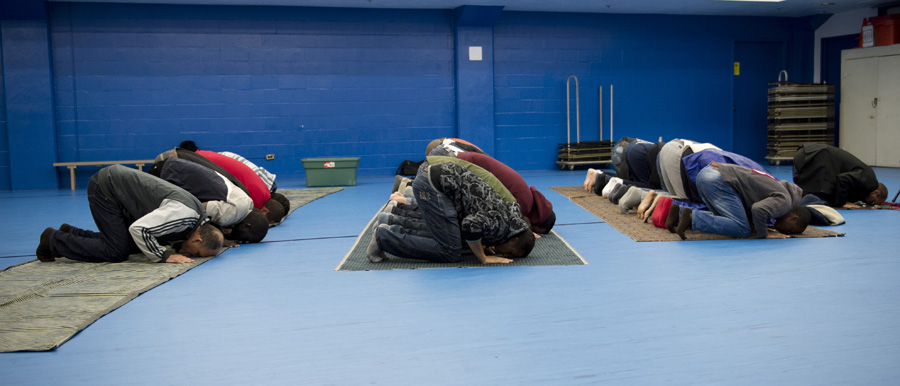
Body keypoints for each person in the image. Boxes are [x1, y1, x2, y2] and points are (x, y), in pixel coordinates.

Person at [36, 165, 224, 264]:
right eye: (197, 253)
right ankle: (53, 240)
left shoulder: (199, 220)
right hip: (106, 188)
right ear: (197, 239)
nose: (191, 255)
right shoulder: (183, 215)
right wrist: (164, 256)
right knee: (116, 252)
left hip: (119, 190)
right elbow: (139, 229)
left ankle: (73, 233)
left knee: (134, 245)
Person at [367, 160, 534, 264]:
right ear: (515, 237)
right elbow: (470, 225)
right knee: (450, 250)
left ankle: (391, 222)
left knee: (456, 238)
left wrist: (487, 244)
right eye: (509, 252)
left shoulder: (512, 217)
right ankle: (384, 238)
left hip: (437, 176)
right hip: (432, 184)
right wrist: (483, 257)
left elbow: (477, 222)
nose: (502, 253)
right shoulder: (499, 223)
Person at [664, 162, 810, 240]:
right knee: (742, 229)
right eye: (790, 229)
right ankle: (691, 219)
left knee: (729, 220)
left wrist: (757, 224)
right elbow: (758, 209)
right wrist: (764, 233)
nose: (784, 231)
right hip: (718, 180)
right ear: (793, 217)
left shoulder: (782, 191)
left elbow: (752, 203)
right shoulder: (785, 202)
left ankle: (679, 213)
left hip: (707, 173)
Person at [148, 157, 268, 243]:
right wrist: (217, 238)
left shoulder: (247, 202)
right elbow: (193, 209)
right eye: (245, 239)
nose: (240, 240)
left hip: (172, 167)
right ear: (247, 226)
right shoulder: (231, 214)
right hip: (166, 174)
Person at [454, 151, 556, 235]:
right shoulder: (523, 205)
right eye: (534, 229)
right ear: (537, 221)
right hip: (460, 163)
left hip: (464, 159)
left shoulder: (528, 198)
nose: (531, 230)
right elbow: (501, 221)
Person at [793, 144, 888, 207]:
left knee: (808, 195)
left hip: (805, 154)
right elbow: (843, 179)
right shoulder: (870, 181)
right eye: (872, 201)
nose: (869, 203)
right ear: (876, 192)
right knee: (820, 196)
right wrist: (843, 203)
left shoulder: (864, 179)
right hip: (812, 156)